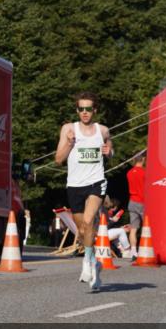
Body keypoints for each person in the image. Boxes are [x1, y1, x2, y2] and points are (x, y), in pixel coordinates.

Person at [55, 91, 113, 292]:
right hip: (74, 185)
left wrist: (109, 152)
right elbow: (58, 159)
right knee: (82, 230)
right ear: (77, 110)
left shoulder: (102, 130)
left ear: (94, 110)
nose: (85, 113)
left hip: (96, 183)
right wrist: (70, 143)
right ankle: (95, 262)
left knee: (89, 221)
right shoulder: (69, 129)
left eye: (89, 109)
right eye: (81, 109)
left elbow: (110, 149)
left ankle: (87, 263)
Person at [125, 154, 146, 259]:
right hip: (142, 202)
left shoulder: (129, 173)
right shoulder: (145, 172)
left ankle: (133, 251)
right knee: (147, 228)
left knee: (133, 228)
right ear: (143, 159)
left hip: (132, 201)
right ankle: (145, 249)